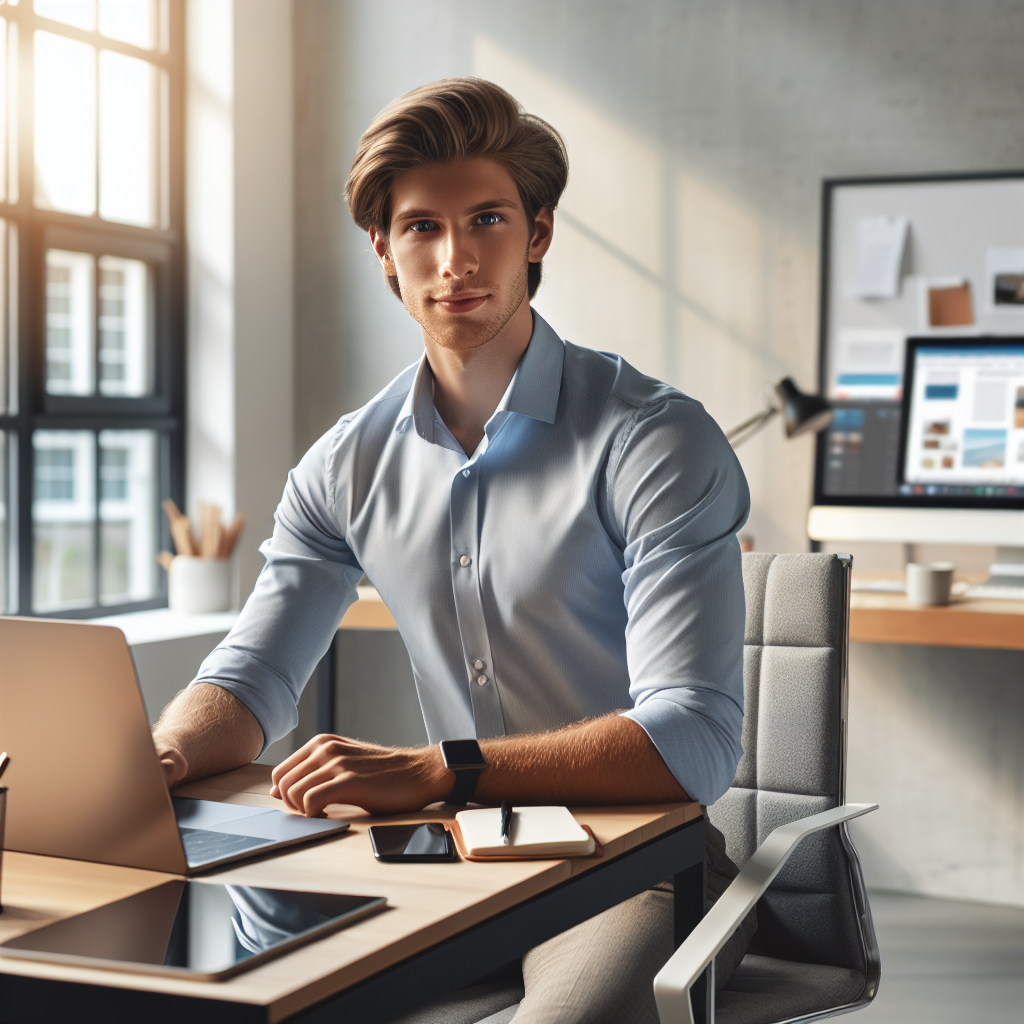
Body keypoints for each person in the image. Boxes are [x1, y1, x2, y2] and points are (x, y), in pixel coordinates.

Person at [153, 78, 753, 1024]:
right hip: (436, 858)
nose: (457, 258)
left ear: (539, 234)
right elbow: (255, 674)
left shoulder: (655, 441)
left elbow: (697, 740)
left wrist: (446, 768)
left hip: (627, 867)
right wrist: (161, 754)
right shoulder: (345, 462)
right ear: (384, 251)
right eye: (423, 227)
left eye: (488, 219)